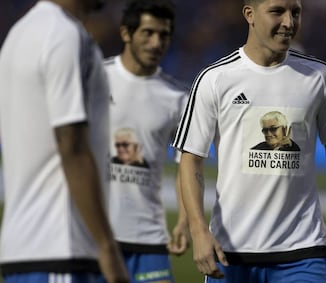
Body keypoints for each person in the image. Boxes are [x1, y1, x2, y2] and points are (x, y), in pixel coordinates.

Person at [173, 0, 326, 282]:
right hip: (230, 253)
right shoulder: (215, 79)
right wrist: (198, 231)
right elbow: (190, 158)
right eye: (277, 11)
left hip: (303, 251)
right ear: (250, 15)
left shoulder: (320, 77)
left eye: (295, 12)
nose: (289, 22)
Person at [0, 1, 129, 283]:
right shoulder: (64, 36)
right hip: (62, 248)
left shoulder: (18, 34)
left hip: (23, 252)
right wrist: (107, 247)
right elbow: (71, 146)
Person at [102, 0, 189, 282]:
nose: (156, 43)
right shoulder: (94, 79)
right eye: (147, 33)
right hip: (94, 236)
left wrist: (185, 222)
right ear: (126, 33)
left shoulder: (178, 99)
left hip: (150, 238)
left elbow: (187, 166)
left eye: (163, 35)